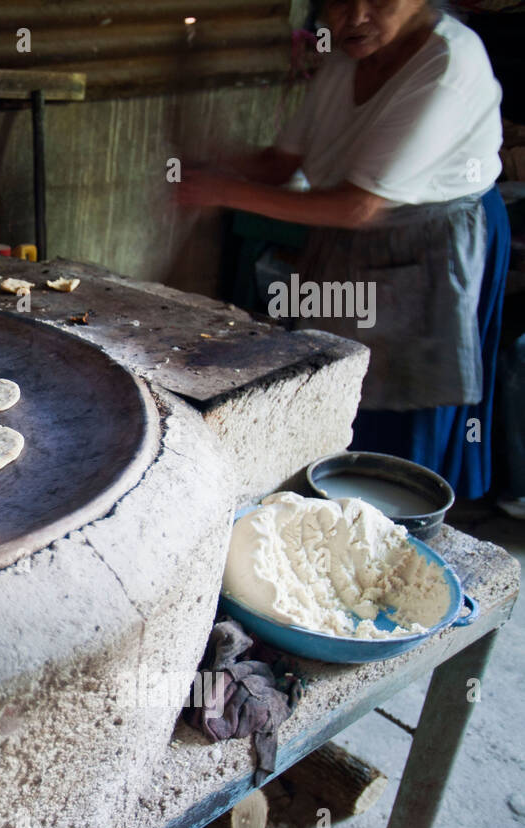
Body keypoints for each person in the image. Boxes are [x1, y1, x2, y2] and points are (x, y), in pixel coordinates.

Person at [177, 0, 510, 504]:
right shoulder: (345, 54)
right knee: (335, 390)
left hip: (428, 245)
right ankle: (326, 509)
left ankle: (396, 529)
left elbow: (359, 206)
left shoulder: (446, 64)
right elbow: (281, 164)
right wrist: (208, 160)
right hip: (349, 238)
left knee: (402, 415)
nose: (353, 16)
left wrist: (218, 191)